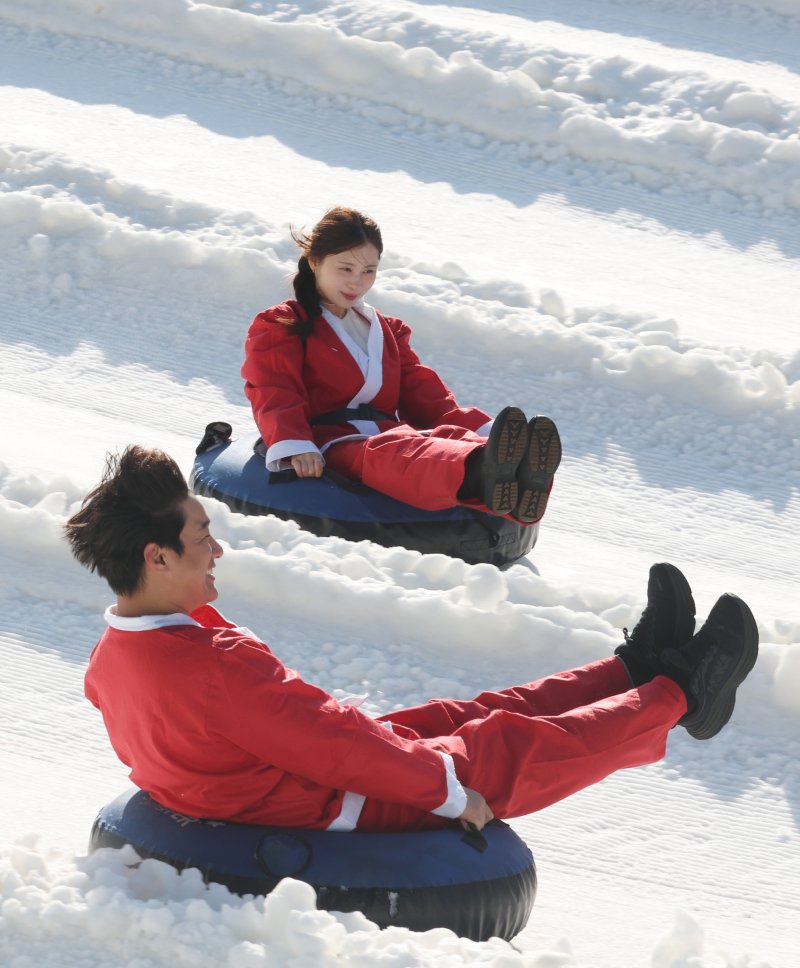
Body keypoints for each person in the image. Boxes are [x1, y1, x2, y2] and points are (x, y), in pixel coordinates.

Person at [67, 446, 759, 833]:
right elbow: (330, 742)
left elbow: (294, 735)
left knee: (463, 716)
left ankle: (630, 669)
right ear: (156, 558)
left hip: (284, 779)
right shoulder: (212, 669)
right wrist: (448, 792)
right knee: (501, 749)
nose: (216, 549)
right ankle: (682, 692)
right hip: (332, 806)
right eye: (199, 538)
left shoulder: (114, 657)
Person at [241, 206, 561, 526]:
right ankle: (483, 473)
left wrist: (482, 432)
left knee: (438, 436)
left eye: (369, 270)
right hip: (331, 440)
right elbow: (274, 390)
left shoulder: (387, 331)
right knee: (395, 454)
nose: (357, 281)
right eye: (345, 268)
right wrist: (296, 445)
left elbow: (426, 395)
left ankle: (515, 473)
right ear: (314, 262)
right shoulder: (284, 324)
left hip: (387, 431)